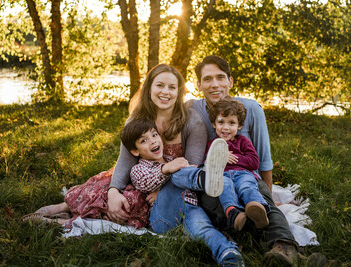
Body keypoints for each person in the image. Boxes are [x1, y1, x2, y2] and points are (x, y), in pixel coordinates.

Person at [106, 64, 245, 266]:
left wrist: (175, 173)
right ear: (149, 88)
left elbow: (193, 162)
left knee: (202, 227)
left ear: (179, 91)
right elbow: (125, 163)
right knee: (181, 169)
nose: (165, 92)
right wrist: (113, 190)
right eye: (160, 85)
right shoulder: (136, 125)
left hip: (189, 200)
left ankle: (228, 254)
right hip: (161, 209)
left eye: (172, 87)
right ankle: (204, 177)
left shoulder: (192, 121)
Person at [189, 55, 300, 265]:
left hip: (247, 175)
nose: (215, 85)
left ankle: (284, 247)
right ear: (198, 84)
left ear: (230, 81)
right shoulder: (191, 109)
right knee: (214, 204)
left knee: (261, 201)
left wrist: (267, 192)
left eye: (220, 78)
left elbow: (263, 161)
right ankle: (247, 230)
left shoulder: (251, 109)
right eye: (207, 79)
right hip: (214, 179)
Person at [170, 96, 271, 232]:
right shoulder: (212, 144)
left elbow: (254, 162)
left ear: (239, 125)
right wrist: (220, 157)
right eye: (221, 122)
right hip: (222, 176)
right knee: (225, 189)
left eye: (231, 123)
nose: (225, 127)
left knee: (246, 187)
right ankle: (234, 214)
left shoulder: (243, 141)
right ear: (214, 124)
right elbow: (207, 164)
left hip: (243, 174)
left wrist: (236, 158)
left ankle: (258, 209)